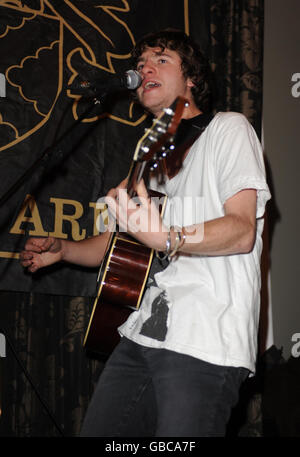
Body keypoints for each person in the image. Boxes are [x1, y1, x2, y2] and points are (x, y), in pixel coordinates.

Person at [20, 29, 271, 437]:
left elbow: (241, 230)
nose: (144, 68)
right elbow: (114, 248)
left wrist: (167, 237)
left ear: (191, 79)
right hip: (142, 336)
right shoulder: (148, 159)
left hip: (204, 339)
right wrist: (63, 250)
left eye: (161, 60)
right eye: (139, 64)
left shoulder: (228, 129)